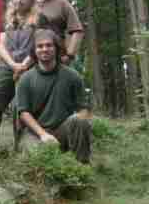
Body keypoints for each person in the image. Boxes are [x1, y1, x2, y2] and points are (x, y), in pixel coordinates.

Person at [16, 29, 92, 163]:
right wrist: (43, 135)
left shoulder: (72, 76)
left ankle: (82, 167)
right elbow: (24, 112)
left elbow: (83, 108)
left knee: (79, 120)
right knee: (38, 159)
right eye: (40, 46)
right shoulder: (26, 78)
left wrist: (81, 128)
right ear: (34, 51)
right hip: (35, 132)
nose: (44, 49)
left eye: (49, 45)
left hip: (62, 130)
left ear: (56, 48)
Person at [0, 0, 36, 152]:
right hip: (7, 67)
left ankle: (21, 150)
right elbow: (1, 45)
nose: (20, 0)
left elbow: (40, 43)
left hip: (30, 68)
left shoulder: (38, 19)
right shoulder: (6, 19)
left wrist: (24, 66)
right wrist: (13, 65)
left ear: (31, 0)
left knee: (21, 107)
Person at [32, 0, 84, 64]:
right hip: (29, 62)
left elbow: (77, 31)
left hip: (57, 60)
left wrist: (69, 55)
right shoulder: (26, 4)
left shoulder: (62, 4)